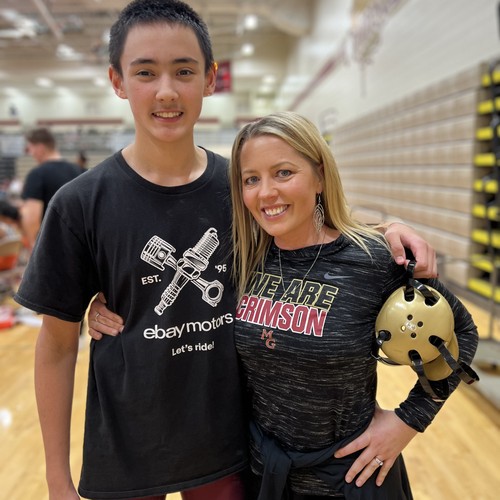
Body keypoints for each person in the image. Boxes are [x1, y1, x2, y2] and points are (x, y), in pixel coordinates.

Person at [16, 0, 436, 498]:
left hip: (230, 447)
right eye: (145, 72)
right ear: (117, 81)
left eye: (184, 70)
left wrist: (387, 228)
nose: (166, 91)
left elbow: (312, 228)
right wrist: (56, 477)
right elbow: (56, 346)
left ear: (210, 78)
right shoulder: (79, 204)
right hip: (128, 449)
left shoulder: (242, 189)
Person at [86, 120, 474, 497]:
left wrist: (407, 422)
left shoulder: (374, 259)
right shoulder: (243, 259)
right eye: (251, 179)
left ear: (319, 176)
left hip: (349, 478)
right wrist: (107, 307)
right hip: (263, 475)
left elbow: (460, 332)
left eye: (283, 173)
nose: (266, 193)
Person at [20, 127, 82, 252]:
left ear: (40, 148)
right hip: (81, 247)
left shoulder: (37, 174)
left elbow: (32, 218)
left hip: (52, 248)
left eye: (30, 149)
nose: (30, 153)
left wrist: (33, 248)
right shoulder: (80, 171)